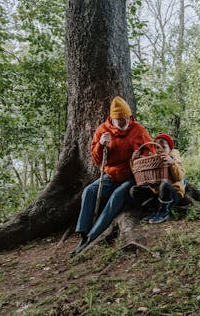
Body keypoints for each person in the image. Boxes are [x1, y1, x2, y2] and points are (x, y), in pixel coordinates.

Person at [71, 96, 152, 256]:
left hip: (131, 176)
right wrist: (101, 144)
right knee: (89, 191)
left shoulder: (138, 129)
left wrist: (142, 157)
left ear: (129, 116)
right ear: (113, 118)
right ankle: (83, 232)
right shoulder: (103, 129)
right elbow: (97, 158)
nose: (124, 122)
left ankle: (93, 235)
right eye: (120, 120)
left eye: (126, 118)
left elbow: (150, 149)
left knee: (116, 196)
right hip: (111, 175)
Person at [130, 133, 186, 224]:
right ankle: (154, 210)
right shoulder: (154, 159)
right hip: (157, 194)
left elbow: (179, 177)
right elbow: (140, 173)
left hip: (172, 193)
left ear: (170, 149)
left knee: (164, 185)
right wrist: (134, 161)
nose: (160, 150)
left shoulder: (174, 158)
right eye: (157, 148)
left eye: (163, 147)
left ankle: (164, 212)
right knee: (134, 190)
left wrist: (172, 163)